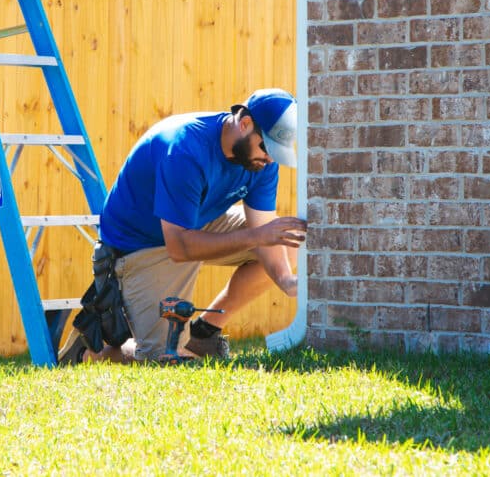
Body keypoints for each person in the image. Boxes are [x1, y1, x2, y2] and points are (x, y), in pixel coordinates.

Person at [60, 88, 307, 364]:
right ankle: (87, 352)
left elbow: (263, 230)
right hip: (141, 243)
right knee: (164, 357)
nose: (270, 158)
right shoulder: (185, 148)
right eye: (267, 148)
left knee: (289, 240)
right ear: (245, 124)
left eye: (277, 151)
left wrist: (286, 280)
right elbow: (179, 246)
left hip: (192, 223)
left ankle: (205, 332)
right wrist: (257, 236)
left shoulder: (259, 161)